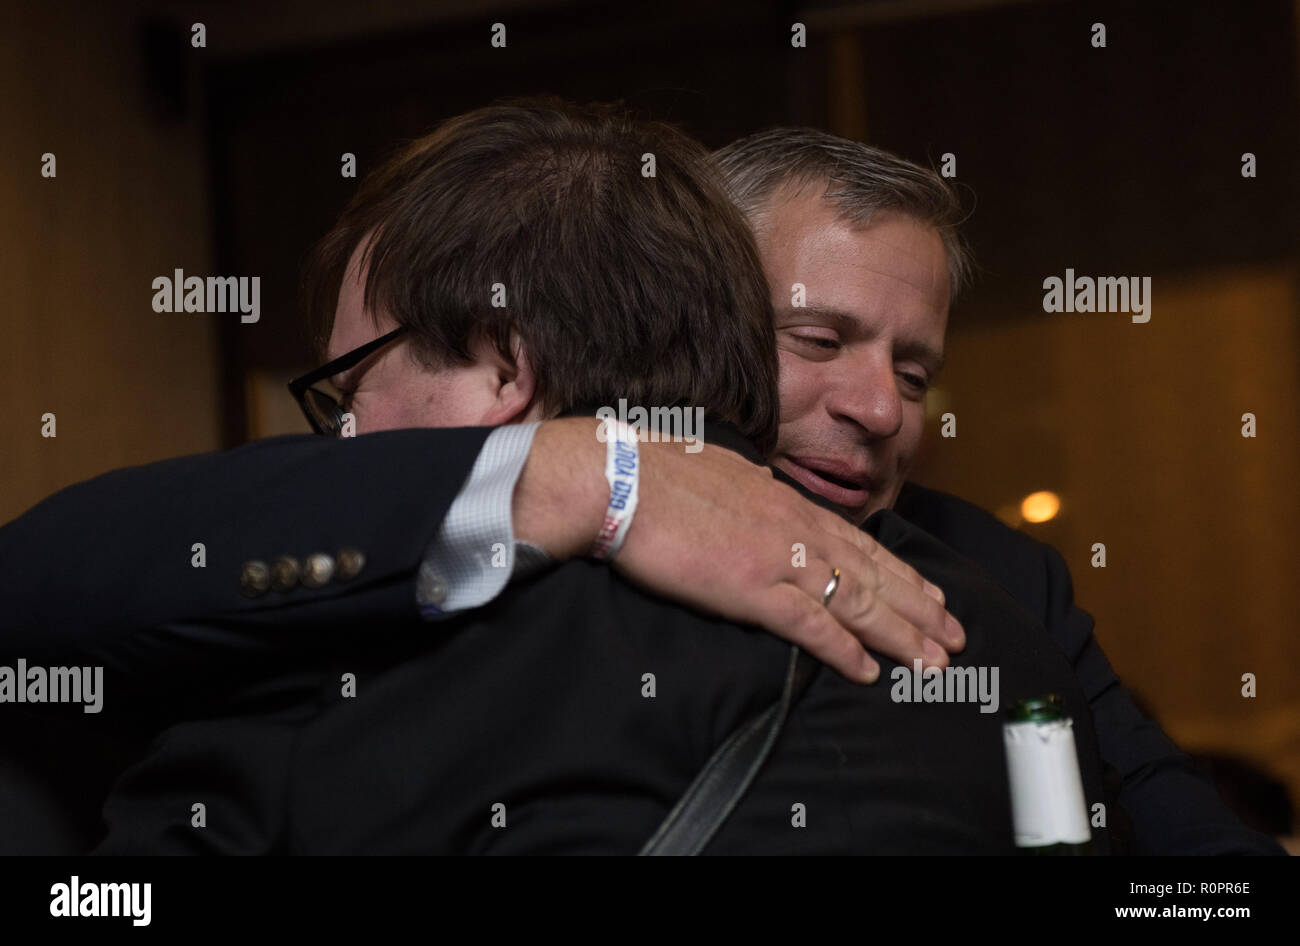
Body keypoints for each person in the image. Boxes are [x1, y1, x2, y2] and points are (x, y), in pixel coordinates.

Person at [0, 106, 1281, 855]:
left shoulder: (989, 591)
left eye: (917, 366)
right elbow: (59, 571)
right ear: (702, 305)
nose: (881, 406)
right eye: (817, 339)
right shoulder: (405, 548)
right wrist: (582, 476)